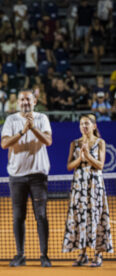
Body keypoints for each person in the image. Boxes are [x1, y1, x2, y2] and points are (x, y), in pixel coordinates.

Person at [1, 89, 53, 267]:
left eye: (28, 100)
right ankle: (20, 255)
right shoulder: (11, 120)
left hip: (38, 175)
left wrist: (33, 128)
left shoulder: (42, 118)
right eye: (22, 100)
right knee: (18, 217)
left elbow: (47, 141)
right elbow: (4, 144)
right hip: (17, 176)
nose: (25, 102)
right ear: (18, 103)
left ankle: (44, 255)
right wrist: (23, 131)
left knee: (41, 216)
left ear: (34, 101)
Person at [62, 114, 113, 267]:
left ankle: (97, 255)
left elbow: (101, 165)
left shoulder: (100, 142)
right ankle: (82, 253)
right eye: (82, 124)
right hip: (79, 185)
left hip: (95, 186)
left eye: (87, 124)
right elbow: (69, 166)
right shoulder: (74, 143)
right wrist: (80, 158)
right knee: (80, 218)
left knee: (96, 217)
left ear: (94, 126)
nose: (84, 126)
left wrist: (88, 156)